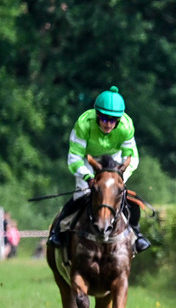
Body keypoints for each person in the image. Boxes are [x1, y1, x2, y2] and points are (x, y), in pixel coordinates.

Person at [47, 85, 150, 252]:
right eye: (104, 118)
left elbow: (132, 159)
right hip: (88, 160)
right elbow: (74, 158)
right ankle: (59, 231)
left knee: (121, 197)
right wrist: (88, 177)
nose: (108, 124)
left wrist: (119, 179)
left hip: (114, 162)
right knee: (81, 195)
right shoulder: (84, 124)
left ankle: (137, 235)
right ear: (97, 115)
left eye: (113, 120)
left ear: (119, 120)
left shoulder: (126, 126)